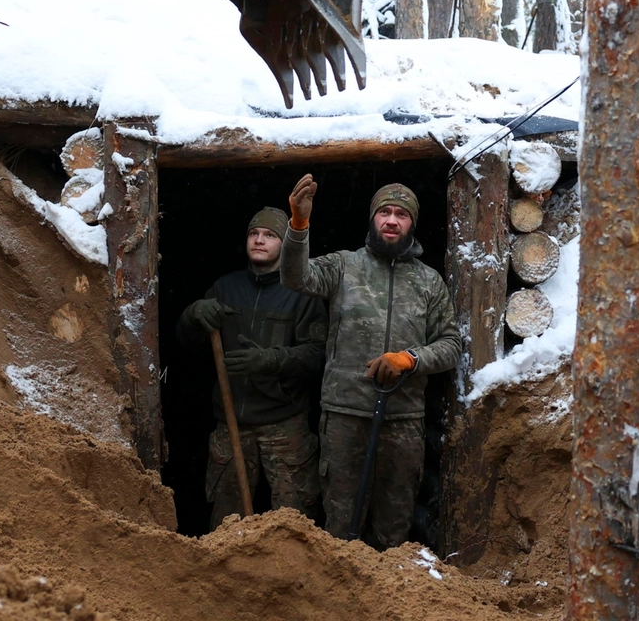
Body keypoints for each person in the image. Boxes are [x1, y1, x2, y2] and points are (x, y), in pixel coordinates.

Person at [281, 175, 462, 549]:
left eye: (401, 214)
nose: (391, 220)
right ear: (372, 219)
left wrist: (411, 359)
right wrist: (298, 226)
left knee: (394, 526)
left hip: (403, 421)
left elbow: (451, 345)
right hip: (345, 416)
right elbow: (296, 277)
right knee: (341, 523)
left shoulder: (429, 282)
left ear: (412, 223)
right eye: (384, 212)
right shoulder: (344, 266)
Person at [177, 207, 327, 529]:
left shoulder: (303, 294)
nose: (259, 240)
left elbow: (318, 355)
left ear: (285, 244)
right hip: (231, 424)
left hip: (284, 425)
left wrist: (271, 360)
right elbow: (187, 347)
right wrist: (192, 315)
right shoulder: (224, 288)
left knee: (296, 523)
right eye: (253, 234)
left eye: (270, 235)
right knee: (226, 523)